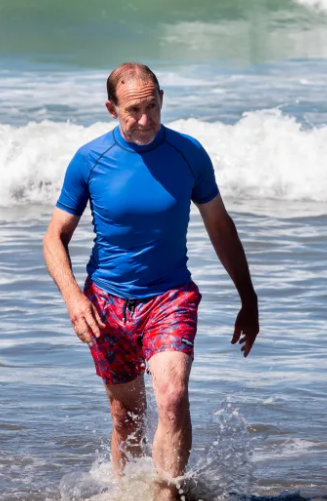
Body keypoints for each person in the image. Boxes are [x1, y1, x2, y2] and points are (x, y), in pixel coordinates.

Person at [42, 62, 259, 501]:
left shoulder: (188, 154)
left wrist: (248, 298)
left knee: (173, 396)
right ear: (111, 109)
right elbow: (54, 238)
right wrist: (74, 299)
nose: (145, 121)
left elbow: (220, 226)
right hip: (106, 303)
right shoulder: (90, 160)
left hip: (170, 296)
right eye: (133, 111)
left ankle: (167, 494)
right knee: (126, 416)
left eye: (153, 107)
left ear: (162, 99)